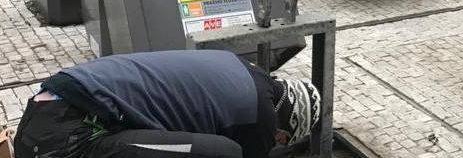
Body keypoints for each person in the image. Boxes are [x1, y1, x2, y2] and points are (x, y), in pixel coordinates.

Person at [13, 50, 320, 158]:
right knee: (225, 153)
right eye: (282, 138)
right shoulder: (261, 116)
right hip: (65, 140)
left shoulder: (246, 69)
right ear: (288, 120)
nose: (276, 141)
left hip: (46, 116)